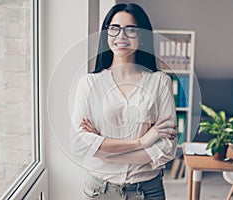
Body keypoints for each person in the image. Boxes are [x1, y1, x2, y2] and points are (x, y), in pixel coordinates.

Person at [70, 3, 177, 200]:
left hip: (148, 191)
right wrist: (142, 142)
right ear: (106, 35)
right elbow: (79, 144)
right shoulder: (89, 83)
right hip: (99, 192)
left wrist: (102, 149)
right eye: (114, 29)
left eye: (131, 29)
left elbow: (167, 148)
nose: (122, 36)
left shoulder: (160, 81)